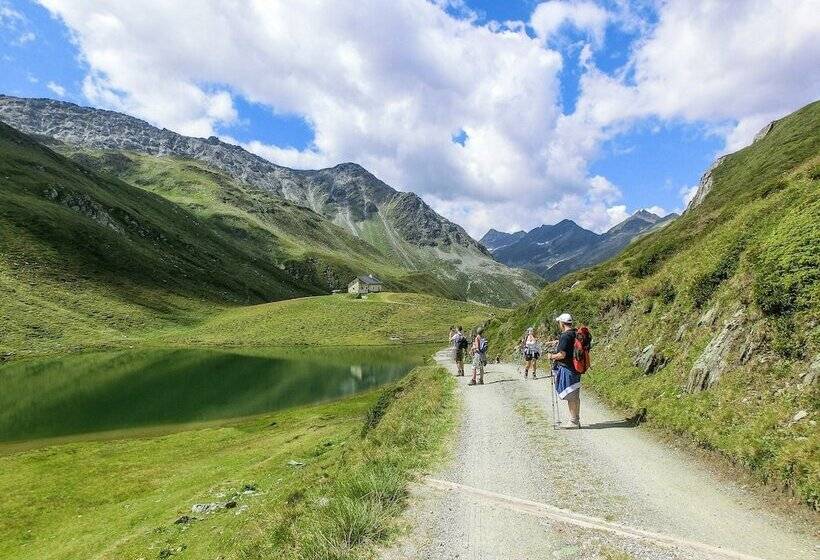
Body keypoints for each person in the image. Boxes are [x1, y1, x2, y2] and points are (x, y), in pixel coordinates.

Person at [547, 313, 581, 428]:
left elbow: (562, 355)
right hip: (576, 367)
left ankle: (573, 421)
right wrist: (557, 342)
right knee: (575, 393)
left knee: (571, 395)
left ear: (562, 323)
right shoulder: (575, 333)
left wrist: (551, 356)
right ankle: (576, 419)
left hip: (567, 368)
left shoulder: (565, 336)